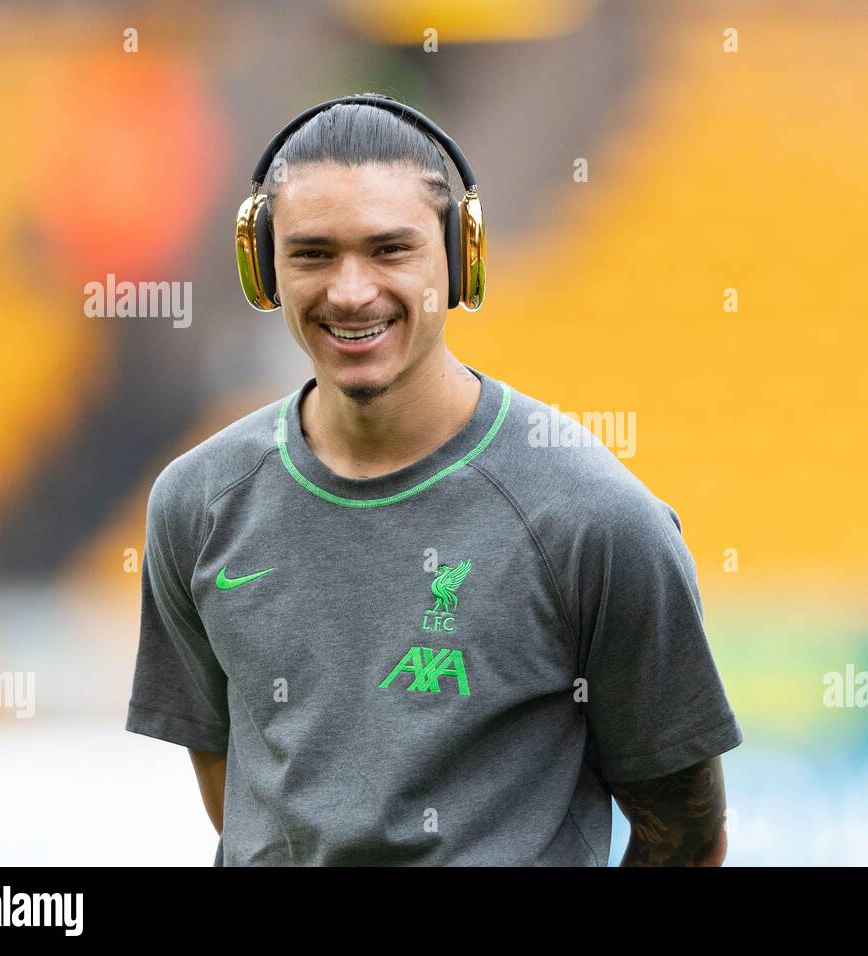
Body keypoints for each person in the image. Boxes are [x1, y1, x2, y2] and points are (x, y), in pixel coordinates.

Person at [125, 95, 743, 866]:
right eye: (312, 253)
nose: (350, 291)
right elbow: (235, 791)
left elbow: (683, 838)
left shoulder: (597, 519)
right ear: (262, 265)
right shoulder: (195, 504)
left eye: (390, 249)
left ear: (461, 257)